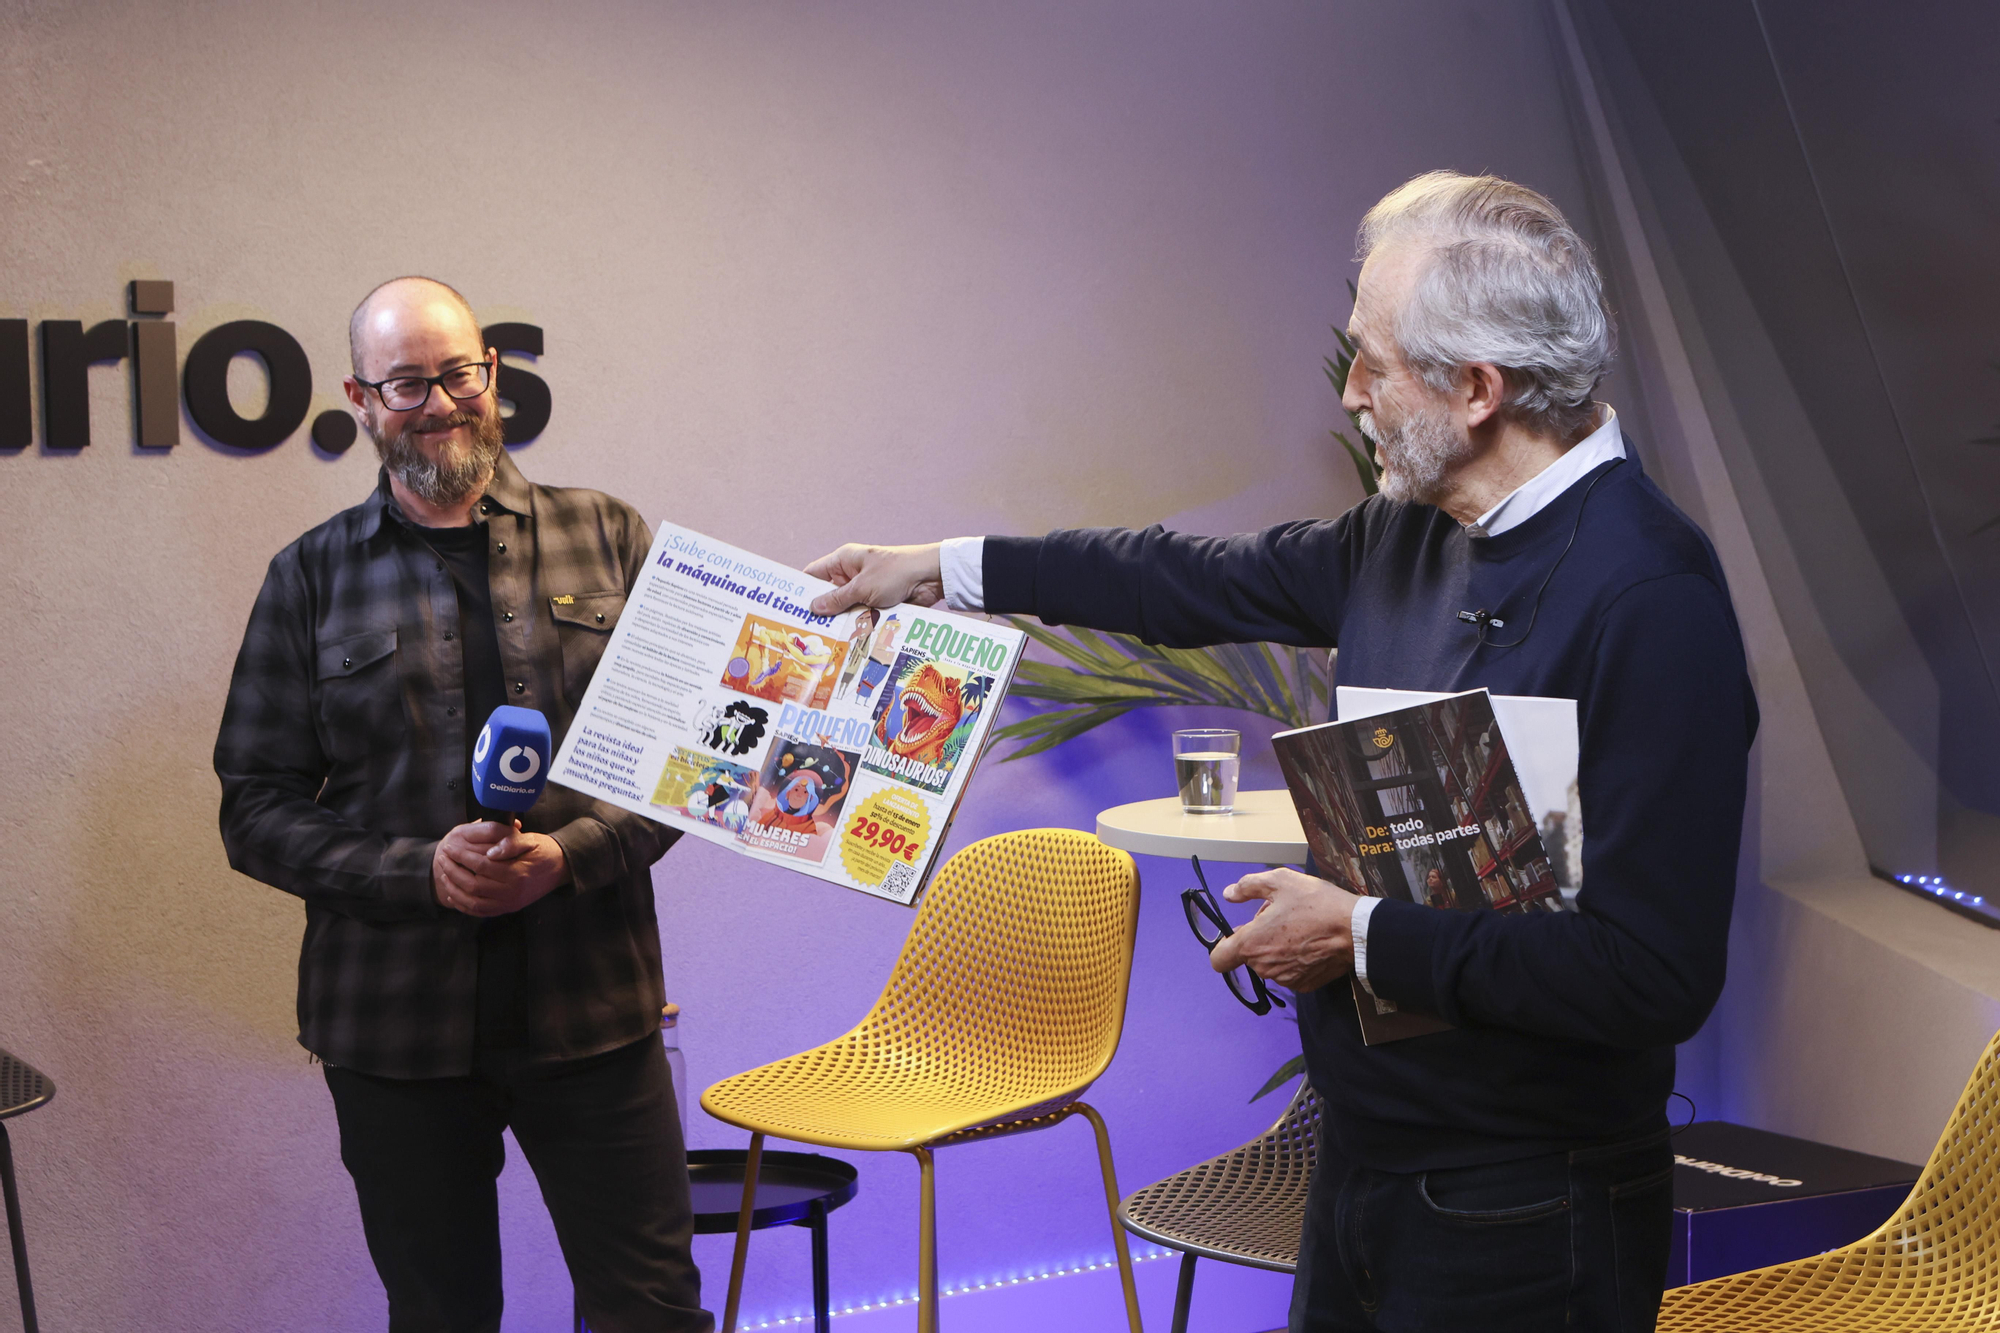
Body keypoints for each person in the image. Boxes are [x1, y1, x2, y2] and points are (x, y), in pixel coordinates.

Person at [804, 173, 1757, 1332]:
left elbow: (1648, 973)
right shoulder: (1409, 533)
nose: (1349, 394)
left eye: (1373, 361)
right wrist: (942, 565)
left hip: (1527, 1206)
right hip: (1361, 1159)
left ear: (1474, 389)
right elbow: (1180, 576)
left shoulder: (1650, 597)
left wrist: (1354, 934)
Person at [214, 276, 711, 1333]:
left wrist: (569, 855)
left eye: (459, 374)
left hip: (596, 1012)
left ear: (492, 375)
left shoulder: (607, 536)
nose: (440, 402)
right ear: (360, 398)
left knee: (652, 1310)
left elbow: (687, 766)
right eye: (406, 384)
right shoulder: (307, 579)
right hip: (393, 1031)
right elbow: (252, 808)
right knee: (440, 1316)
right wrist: (419, 870)